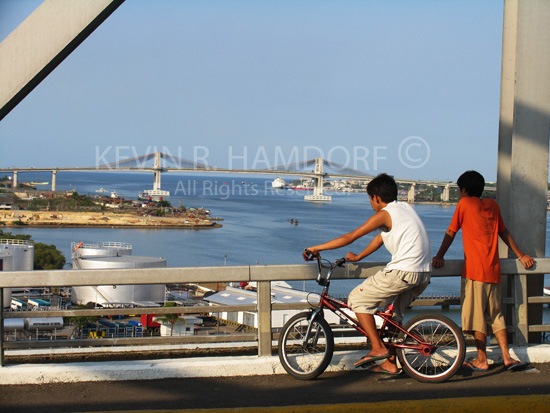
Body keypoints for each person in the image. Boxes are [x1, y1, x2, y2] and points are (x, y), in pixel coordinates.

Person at [304, 173, 431, 374]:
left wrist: (316, 248)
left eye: (370, 199)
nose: (370, 203)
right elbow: (381, 238)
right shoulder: (405, 209)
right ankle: (389, 364)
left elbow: (351, 236)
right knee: (393, 317)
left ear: (376, 198)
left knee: (357, 299)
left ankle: (377, 348)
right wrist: (359, 257)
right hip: (423, 274)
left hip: (403, 272)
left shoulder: (384, 214)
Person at [432, 170, 534, 371]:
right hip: (493, 271)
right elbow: (504, 232)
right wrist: (521, 255)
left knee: (477, 317)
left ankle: (481, 359)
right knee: (496, 315)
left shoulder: (464, 204)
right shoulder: (493, 205)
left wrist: (440, 255)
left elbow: (451, 232)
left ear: (463, 190)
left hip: (475, 272)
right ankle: (506, 356)